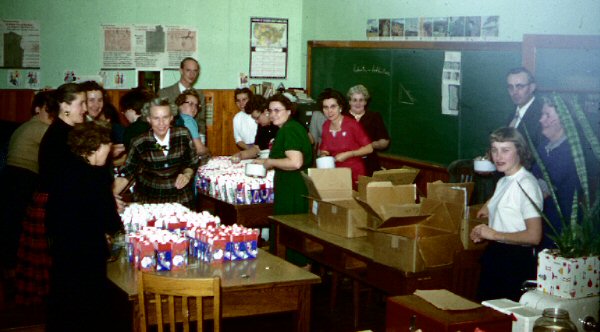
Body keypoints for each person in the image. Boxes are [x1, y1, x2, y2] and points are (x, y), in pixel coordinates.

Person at [14, 83, 88, 304]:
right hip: (53, 205)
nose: (84, 108)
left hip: (55, 202)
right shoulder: (60, 136)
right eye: (81, 103)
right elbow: (66, 181)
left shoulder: (66, 132)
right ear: (65, 106)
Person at [45, 121, 121, 332]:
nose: (110, 150)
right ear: (95, 148)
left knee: (64, 302)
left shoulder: (66, 167)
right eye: (108, 146)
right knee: (90, 306)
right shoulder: (96, 177)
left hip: (62, 248)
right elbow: (110, 221)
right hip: (86, 251)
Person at [470, 127, 543, 301]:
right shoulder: (503, 180)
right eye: (494, 150)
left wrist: (493, 234)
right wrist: (483, 231)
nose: (498, 156)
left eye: (505, 150)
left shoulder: (527, 184)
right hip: (496, 254)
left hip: (515, 262)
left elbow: (534, 236)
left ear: (519, 151)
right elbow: (506, 221)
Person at [0, 91, 53, 285]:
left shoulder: (25, 126)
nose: (52, 115)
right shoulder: (39, 128)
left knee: (11, 223)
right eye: (48, 110)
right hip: (23, 177)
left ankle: (11, 268)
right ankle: (13, 269)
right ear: (38, 109)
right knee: (15, 224)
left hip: (12, 176)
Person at [113, 98, 199, 209]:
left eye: (165, 117)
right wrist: (109, 197)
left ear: (171, 118)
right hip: (150, 204)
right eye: (156, 118)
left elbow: (192, 162)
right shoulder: (139, 142)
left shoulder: (183, 135)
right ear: (148, 119)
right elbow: (127, 173)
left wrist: (187, 174)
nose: (161, 123)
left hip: (181, 202)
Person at [531, 97, 581, 250]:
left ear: (564, 121)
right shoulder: (544, 145)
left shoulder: (570, 152)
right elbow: (533, 179)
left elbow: (542, 190)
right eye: (542, 114)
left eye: (547, 115)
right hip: (542, 219)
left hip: (560, 228)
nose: (541, 120)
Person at [259, 94, 313, 215]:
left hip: (292, 187)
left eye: (277, 110)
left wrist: (270, 162)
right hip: (291, 185)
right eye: (270, 111)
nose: (273, 114)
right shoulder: (291, 127)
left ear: (289, 111)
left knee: (288, 228)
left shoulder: (289, 129)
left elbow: (295, 162)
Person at [318, 89, 373, 188]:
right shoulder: (326, 126)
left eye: (333, 106)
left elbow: (369, 148)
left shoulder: (352, 125)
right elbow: (325, 147)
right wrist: (323, 154)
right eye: (325, 107)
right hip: (336, 173)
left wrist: (349, 154)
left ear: (340, 108)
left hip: (355, 173)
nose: (329, 111)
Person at [158, 57, 207, 145]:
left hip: (193, 142)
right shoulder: (164, 93)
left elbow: (201, 121)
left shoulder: (200, 95)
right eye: (188, 70)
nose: (192, 74)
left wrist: (201, 141)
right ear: (181, 71)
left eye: (195, 71)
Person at [345, 84, 390, 176]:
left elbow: (384, 141)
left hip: (369, 163)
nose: (358, 103)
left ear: (365, 102)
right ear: (349, 101)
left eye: (361, 100)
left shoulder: (374, 117)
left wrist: (371, 145)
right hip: (347, 163)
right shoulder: (342, 117)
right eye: (354, 100)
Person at [506, 67, 543, 148]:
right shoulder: (511, 112)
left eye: (520, 86)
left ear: (532, 87)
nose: (514, 92)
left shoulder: (542, 114)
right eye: (511, 87)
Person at [232, 95, 278, 161]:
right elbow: (256, 149)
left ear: (266, 112)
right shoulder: (262, 126)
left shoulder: (280, 125)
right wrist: (241, 155)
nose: (256, 122)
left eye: (257, 118)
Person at [174, 89, 209, 155]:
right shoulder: (189, 120)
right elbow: (200, 149)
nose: (194, 108)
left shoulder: (175, 119)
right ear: (180, 104)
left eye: (196, 105)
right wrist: (208, 152)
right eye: (191, 104)